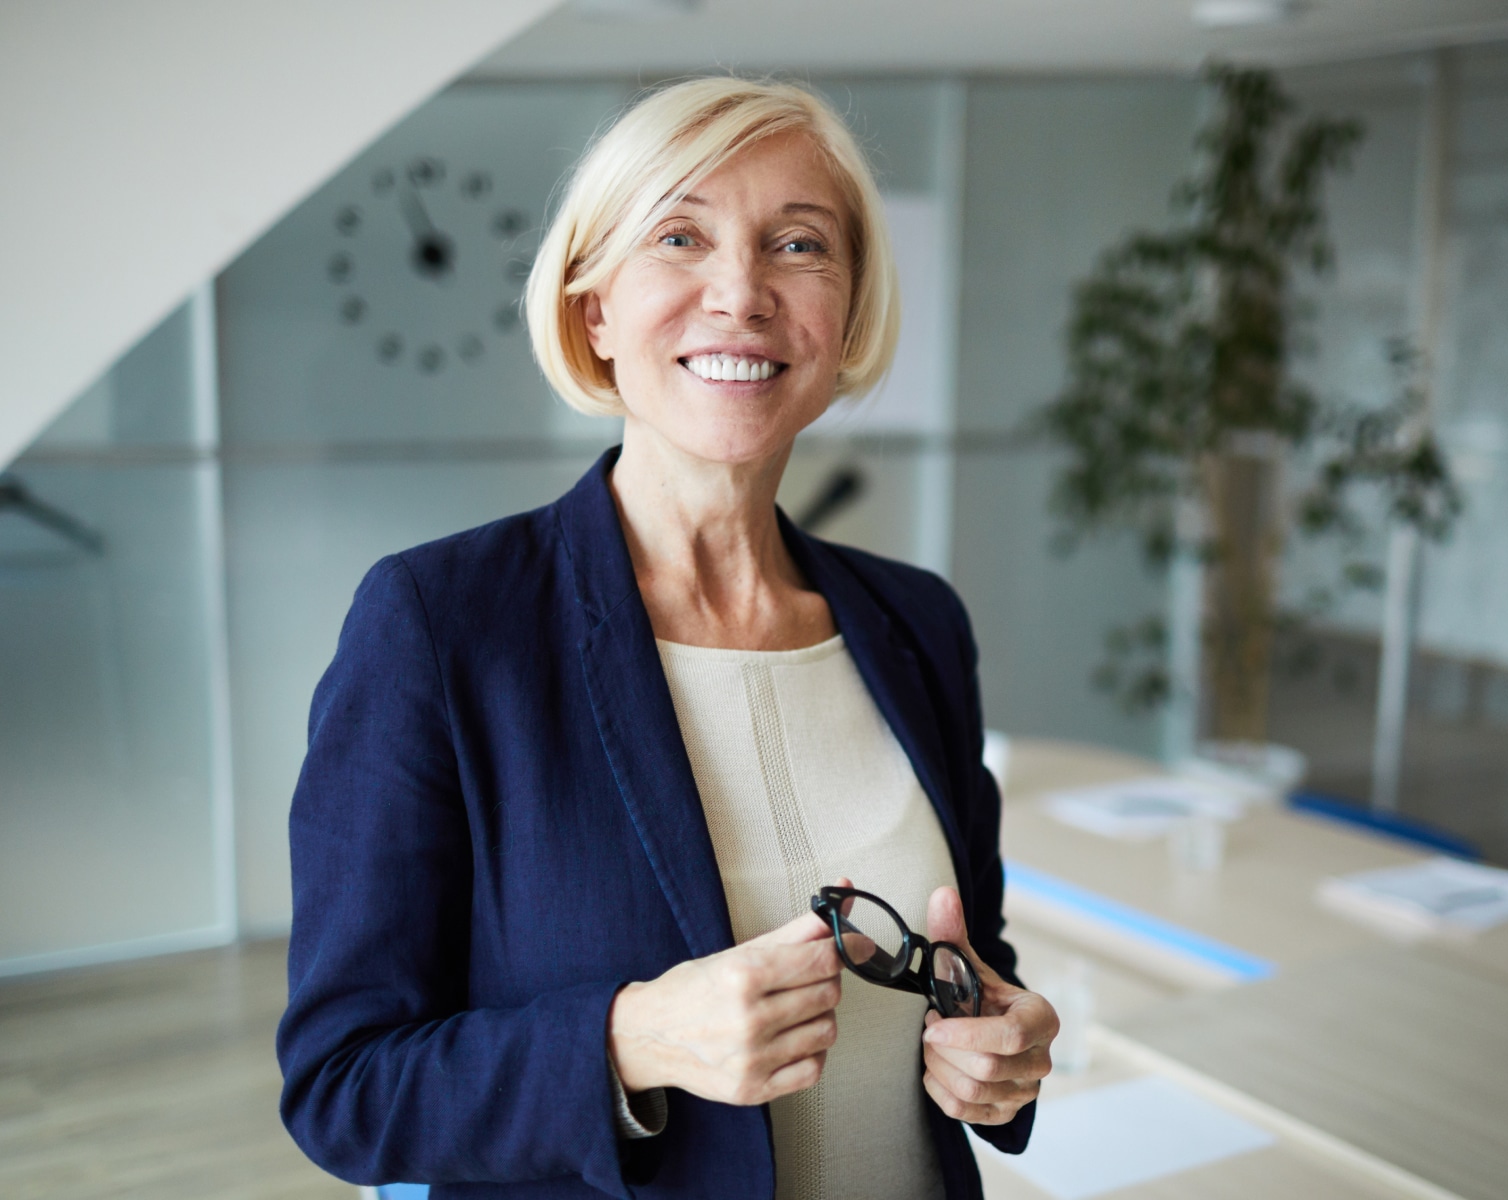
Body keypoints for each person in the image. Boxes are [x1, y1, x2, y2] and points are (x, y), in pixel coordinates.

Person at [277, 76, 1057, 1200]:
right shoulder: (442, 625)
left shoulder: (916, 622)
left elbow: (972, 965)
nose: (740, 293)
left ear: (844, 315)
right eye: (679, 236)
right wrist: (631, 1040)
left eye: (798, 244)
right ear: (593, 307)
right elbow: (343, 1088)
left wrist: (1005, 1047)